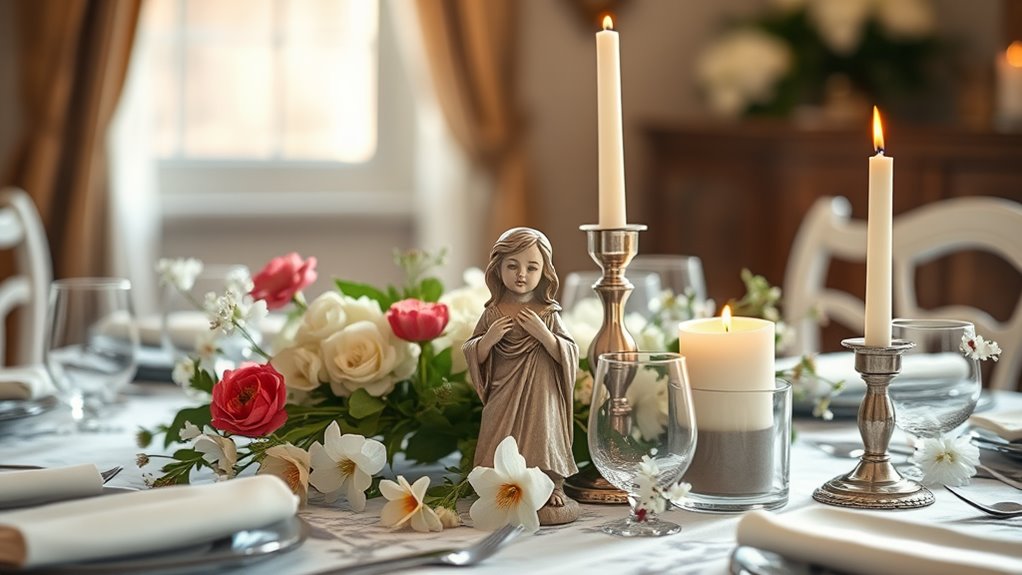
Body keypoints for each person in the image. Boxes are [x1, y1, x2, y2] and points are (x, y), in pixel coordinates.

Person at [464, 227, 579, 523]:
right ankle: (497, 481)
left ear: (545, 271)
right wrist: (487, 341)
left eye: (532, 267)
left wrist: (544, 335)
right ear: (498, 268)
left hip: (542, 391)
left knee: (543, 432)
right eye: (512, 265)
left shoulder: (548, 313)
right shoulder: (493, 312)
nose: (521, 274)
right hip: (504, 391)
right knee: (499, 435)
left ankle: (551, 484)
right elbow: (472, 350)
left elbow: (569, 352)